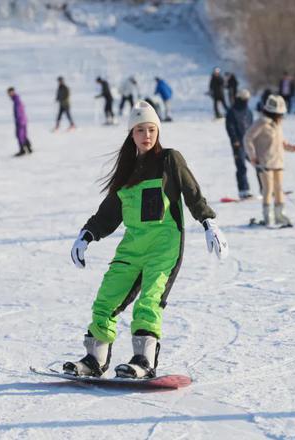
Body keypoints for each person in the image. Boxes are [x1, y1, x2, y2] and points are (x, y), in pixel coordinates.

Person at [64, 101, 228, 379]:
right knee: (106, 298)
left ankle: (144, 359)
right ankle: (94, 359)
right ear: (132, 134)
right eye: (140, 130)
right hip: (132, 246)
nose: (147, 135)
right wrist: (87, 234)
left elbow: (192, 192)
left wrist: (208, 221)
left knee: (149, 301)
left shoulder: (169, 160)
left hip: (164, 245)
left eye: (151, 129)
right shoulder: (127, 172)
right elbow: (110, 212)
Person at [244, 95, 295, 226]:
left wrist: (294, 148)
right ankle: (268, 215)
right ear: (273, 112)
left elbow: (282, 143)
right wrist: (252, 156)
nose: (282, 116)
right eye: (280, 114)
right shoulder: (261, 123)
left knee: (279, 189)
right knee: (268, 189)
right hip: (264, 162)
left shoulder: (278, 125)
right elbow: (247, 138)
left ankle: (280, 214)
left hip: (278, 162)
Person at [225, 89, 255, 199]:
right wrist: (234, 140)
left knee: (259, 165)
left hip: (249, 143)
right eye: (245, 99)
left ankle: (265, 188)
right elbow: (230, 127)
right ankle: (243, 190)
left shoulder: (248, 111)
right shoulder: (232, 112)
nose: (246, 101)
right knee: (241, 167)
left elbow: (252, 126)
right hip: (238, 144)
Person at [7, 87, 32, 157]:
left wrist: (19, 120)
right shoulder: (17, 99)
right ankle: (29, 148)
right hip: (23, 120)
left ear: (12, 92)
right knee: (22, 135)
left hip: (20, 120)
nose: (8, 95)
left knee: (19, 135)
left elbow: (19, 111)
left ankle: (23, 150)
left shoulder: (16, 100)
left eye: (8, 93)